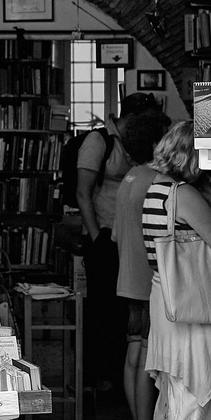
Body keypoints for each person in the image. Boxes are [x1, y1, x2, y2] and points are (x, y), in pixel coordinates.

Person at [141, 121, 211, 420]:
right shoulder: (185, 195)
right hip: (191, 313)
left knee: (172, 409)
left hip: (167, 306)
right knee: (195, 415)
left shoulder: (157, 191)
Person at [75, 93, 158, 397]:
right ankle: (102, 379)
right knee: (103, 310)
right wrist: (97, 237)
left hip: (130, 237)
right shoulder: (99, 142)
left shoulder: (135, 145)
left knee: (124, 312)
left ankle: (123, 381)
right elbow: (82, 193)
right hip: (104, 236)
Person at [111, 105, 173, 420]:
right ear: (156, 142)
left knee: (134, 354)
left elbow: (119, 233)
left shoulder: (130, 177)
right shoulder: (156, 181)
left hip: (128, 277)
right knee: (147, 361)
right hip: (150, 280)